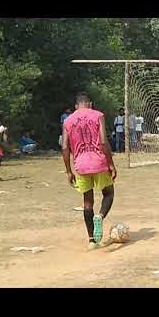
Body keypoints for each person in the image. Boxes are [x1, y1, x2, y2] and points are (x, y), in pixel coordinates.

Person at [61, 93, 117, 250]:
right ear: (90, 104)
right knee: (108, 193)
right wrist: (111, 164)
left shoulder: (67, 120)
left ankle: (92, 241)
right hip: (98, 162)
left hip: (81, 166)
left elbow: (65, 147)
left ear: (76, 106)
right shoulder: (98, 115)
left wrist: (68, 171)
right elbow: (103, 141)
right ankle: (100, 216)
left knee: (87, 202)